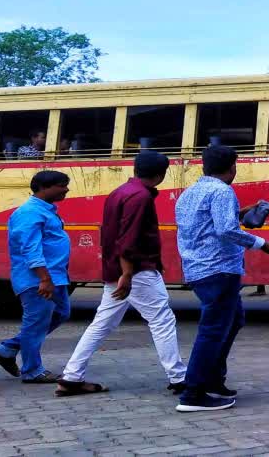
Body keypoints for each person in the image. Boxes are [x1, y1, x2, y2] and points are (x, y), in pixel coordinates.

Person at [57, 151, 187, 397]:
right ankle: (179, 377)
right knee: (161, 320)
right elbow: (128, 240)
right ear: (161, 175)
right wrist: (127, 274)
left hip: (118, 269)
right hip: (136, 271)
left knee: (102, 324)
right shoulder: (140, 197)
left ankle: (72, 376)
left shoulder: (120, 192)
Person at [174, 145, 269, 412]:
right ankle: (193, 393)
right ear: (232, 167)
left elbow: (207, 223)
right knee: (213, 329)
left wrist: (242, 212)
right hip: (219, 269)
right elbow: (225, 230)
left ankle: (213, 380)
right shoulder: (222, 191)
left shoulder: (190, 193)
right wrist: (264, 244)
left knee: (233, 320)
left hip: (198, 268)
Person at [0, 170, 72, 384]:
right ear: (45, 187)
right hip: (38, 279)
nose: (66, 189)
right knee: (36, 323)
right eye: (62, 185)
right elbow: (30, 249)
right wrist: (43, 278)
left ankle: (7, 348)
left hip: (55, 276)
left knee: (61, 313)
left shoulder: (47, 210)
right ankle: (32, 370)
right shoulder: (29, 213)